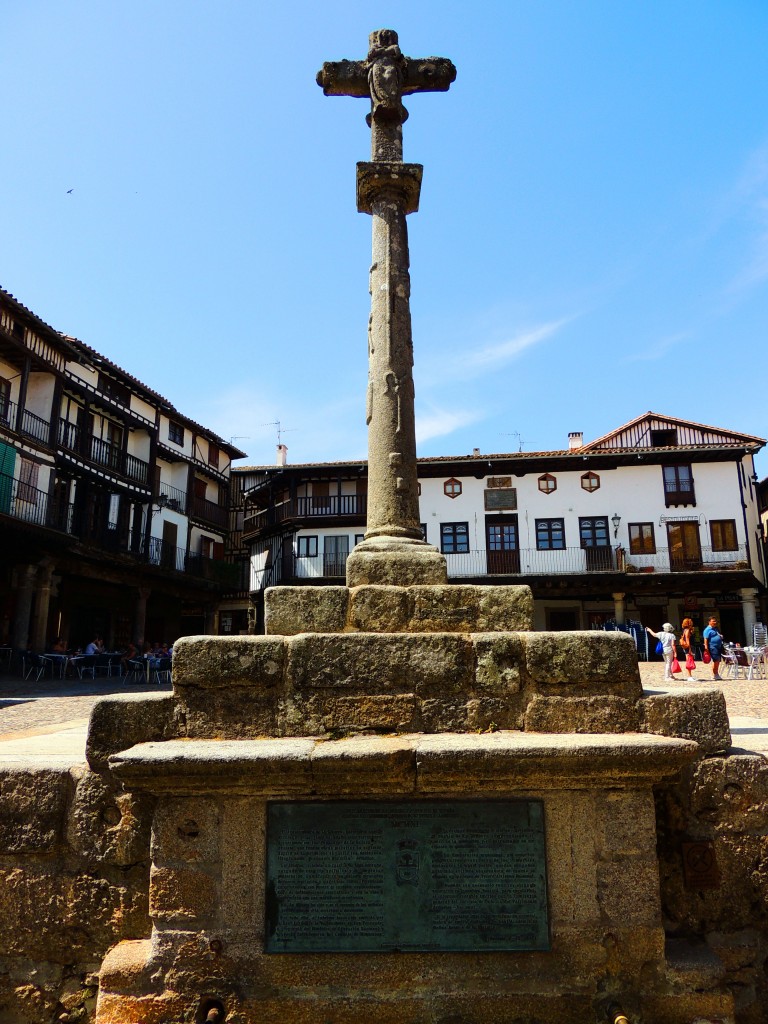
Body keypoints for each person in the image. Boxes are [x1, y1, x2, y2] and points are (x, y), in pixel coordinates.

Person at [703, 616, 724, 681]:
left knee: (718, 660)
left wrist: (720, 636)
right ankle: (715, 674)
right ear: (709, 622)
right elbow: (705, 639)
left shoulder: (715, 629)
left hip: (718, 646)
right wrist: (706, 648)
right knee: (716, 660)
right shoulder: (707, 630)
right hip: (713, 646)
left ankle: (715, 673)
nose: (715, 622)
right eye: (713, 621)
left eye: (715, 621)